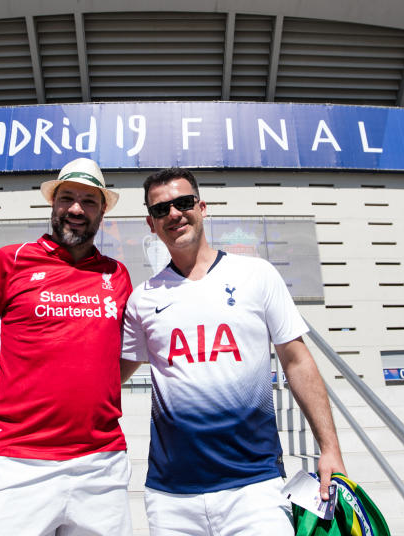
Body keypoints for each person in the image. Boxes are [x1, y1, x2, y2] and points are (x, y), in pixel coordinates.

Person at [120, 167, 345, 535]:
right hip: (171, 497)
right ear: (151, 223)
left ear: (202, 207)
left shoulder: (256, 275)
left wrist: (330, 448)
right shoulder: (142, 299)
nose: (174, 214)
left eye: (183, 202)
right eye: (162, 210)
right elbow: (113, 376)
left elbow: (297, 360)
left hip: (255, 488)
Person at [0, 158, 134, 535]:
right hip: (15, 464)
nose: (76, 209)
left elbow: (124, 354)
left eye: (89, 201)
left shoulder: (117, 274)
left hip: (102, 465)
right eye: (67, 198)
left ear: (102, 212)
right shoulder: (9, 262)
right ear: (53, 204)